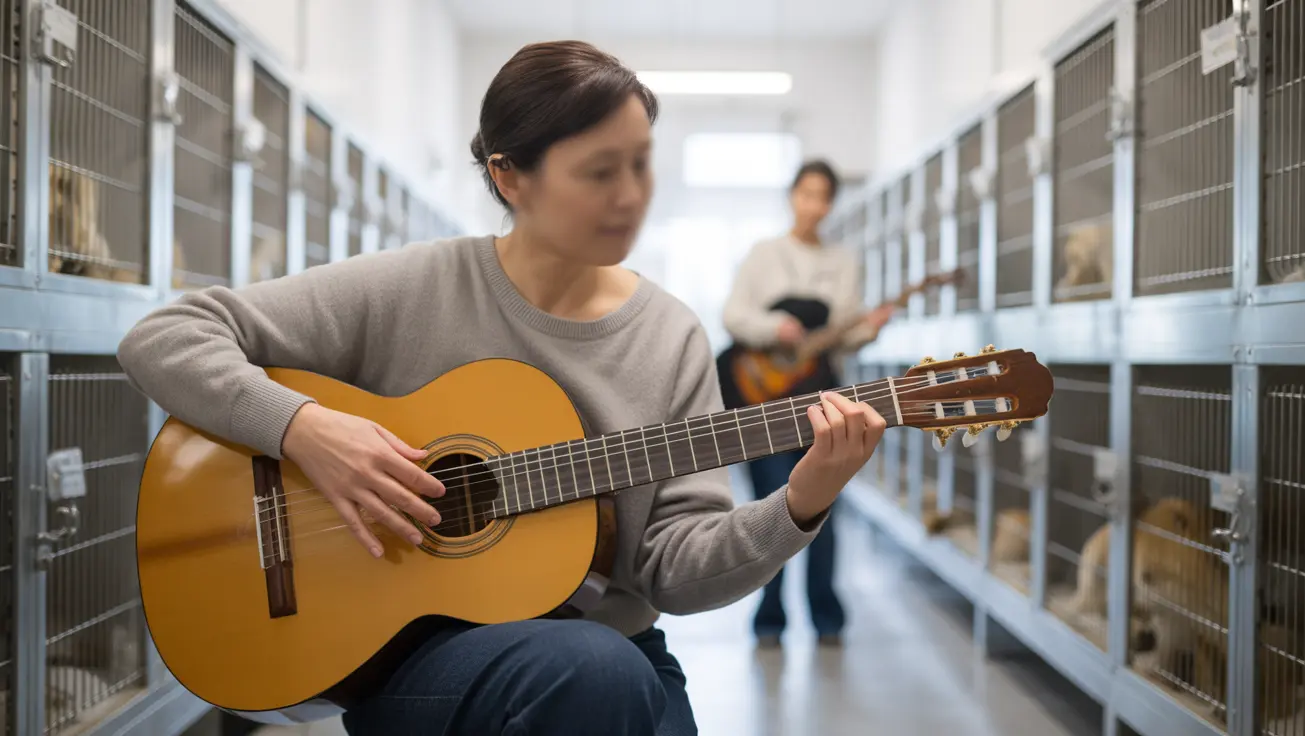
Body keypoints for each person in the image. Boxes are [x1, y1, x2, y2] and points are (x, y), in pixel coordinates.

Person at [116, 41, 887, 736]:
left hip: (610, 652)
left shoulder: (670, 335)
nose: (631, 196)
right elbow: (164, 337)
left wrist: (801, 501)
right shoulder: (418, 284)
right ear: (508, 177)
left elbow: (671, 573)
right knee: (599, 677)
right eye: (599, 170)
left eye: (641, 162)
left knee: (619, 684)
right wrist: (308, 431)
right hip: (418, 658)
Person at [721, 160, 895, 649]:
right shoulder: (763, 254)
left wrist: (868, 331)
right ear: (792, 196)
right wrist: (774, 329)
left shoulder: (844, 262)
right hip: (761, 401)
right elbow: (733, 316)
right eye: (806, 194)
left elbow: (841, 338)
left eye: (823, 196)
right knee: (769, 510)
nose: (814, 205)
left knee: (825, 514)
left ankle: (827, 619)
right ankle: (769, 618)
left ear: (831, 203)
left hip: (823, 401)